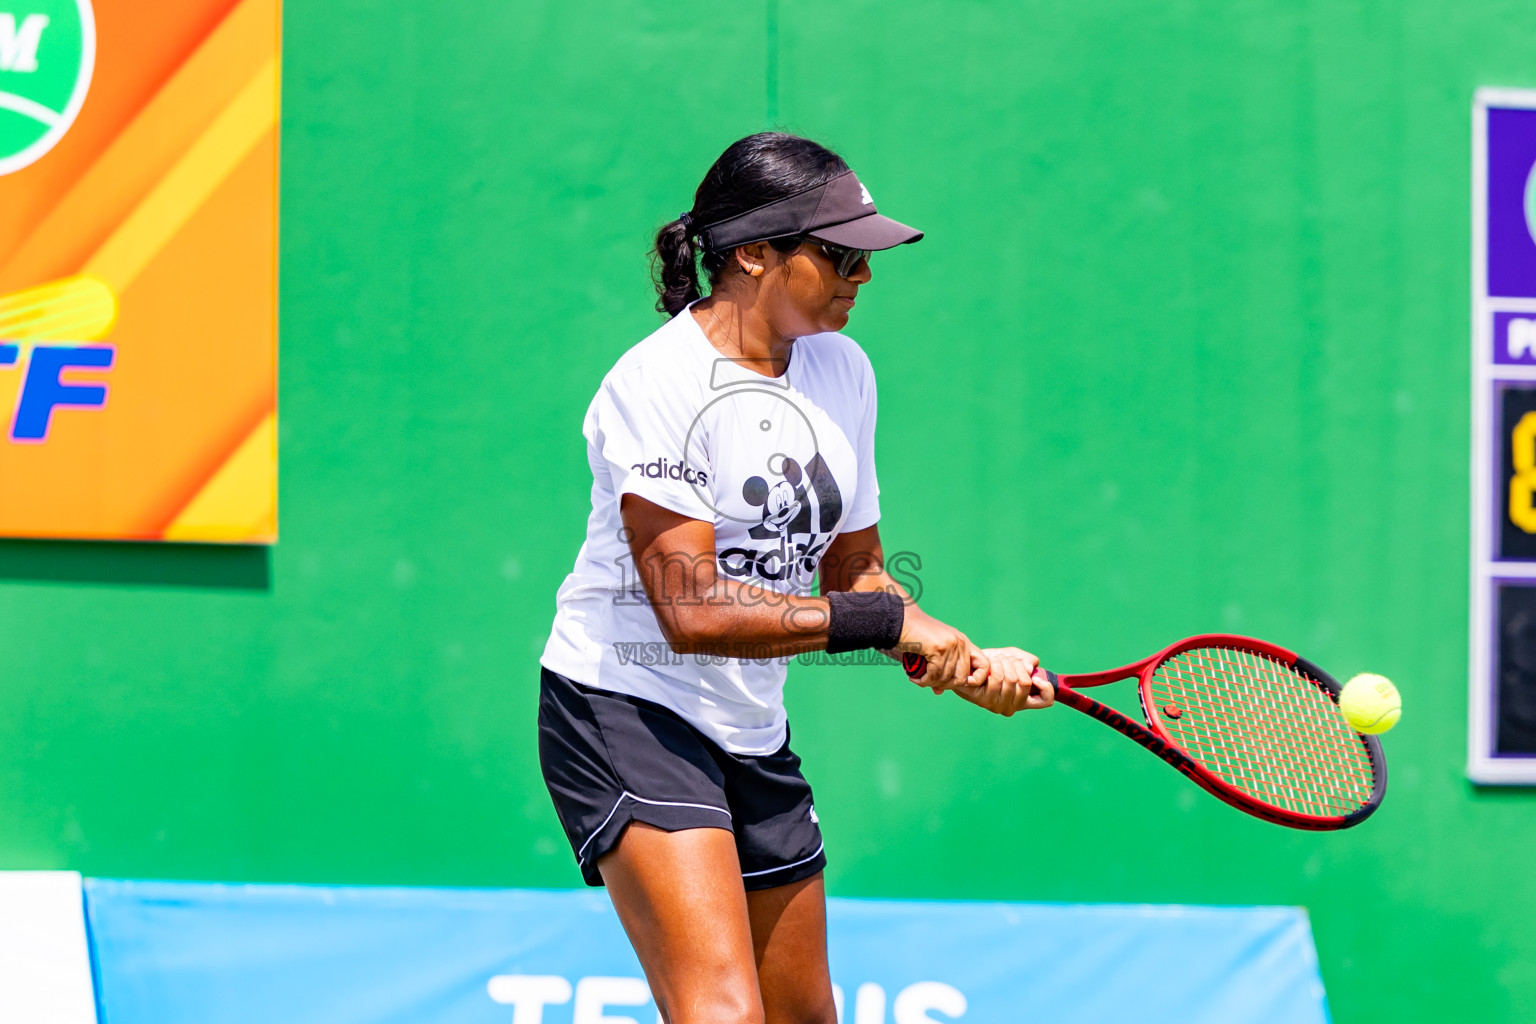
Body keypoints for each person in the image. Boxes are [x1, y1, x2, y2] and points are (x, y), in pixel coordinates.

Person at [538, 132, 1055, 1024]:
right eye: (839, 254)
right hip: (623, 706)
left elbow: (856, 572)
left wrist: (960, 658)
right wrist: (889, 627)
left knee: (803, 1016)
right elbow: (690, 612)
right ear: (751, 254)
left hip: (748, 720)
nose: (862, 275)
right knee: (722, 1013)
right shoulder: (653, 385)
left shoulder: (842, 370)